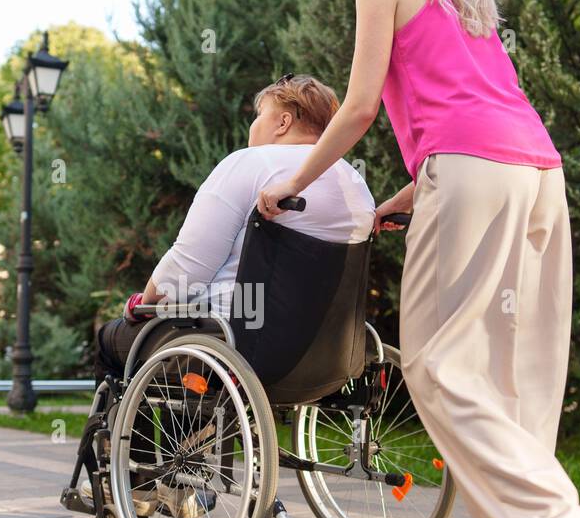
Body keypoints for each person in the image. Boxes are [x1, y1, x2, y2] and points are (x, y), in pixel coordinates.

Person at [254, 0, 580, 518]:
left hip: (471, 172)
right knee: (516, 374)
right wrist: (406, 197)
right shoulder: (468, 1)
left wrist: (290, 182)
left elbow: (358, 108)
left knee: (436, 363)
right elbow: (473, 114)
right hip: (537, 175)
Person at [94, 73, 375, 382]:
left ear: (282, 123)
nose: (253, 126)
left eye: (258, 116)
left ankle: (133, 431)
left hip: (236, 344)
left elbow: (188, 268)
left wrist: (144, 304)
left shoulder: (251, 163)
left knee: (112, 341)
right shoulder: (355, 184)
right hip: (328, 357)